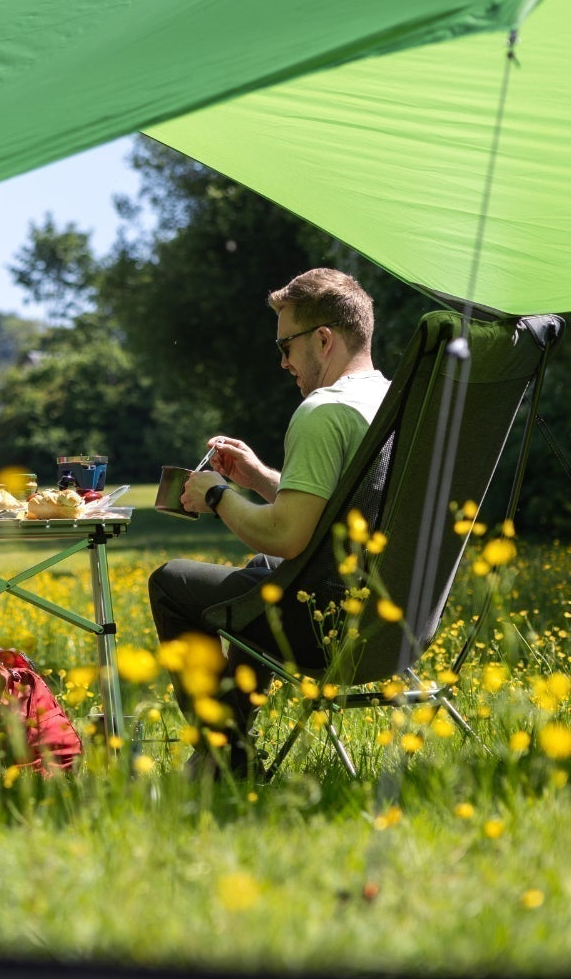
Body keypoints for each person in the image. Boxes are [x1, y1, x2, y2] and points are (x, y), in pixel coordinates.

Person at [148, 268, 391, 777]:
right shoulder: (391, 401)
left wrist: (216, 494)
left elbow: (289, 533)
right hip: (398, 620)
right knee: (264, 568)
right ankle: (224, 752)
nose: (282, 362)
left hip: (332, 629)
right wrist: (259, 480)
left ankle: (223, 756)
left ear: (323, 339)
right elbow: (341, 506)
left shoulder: (323, 412)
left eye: (286, 346)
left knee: (171, 582)